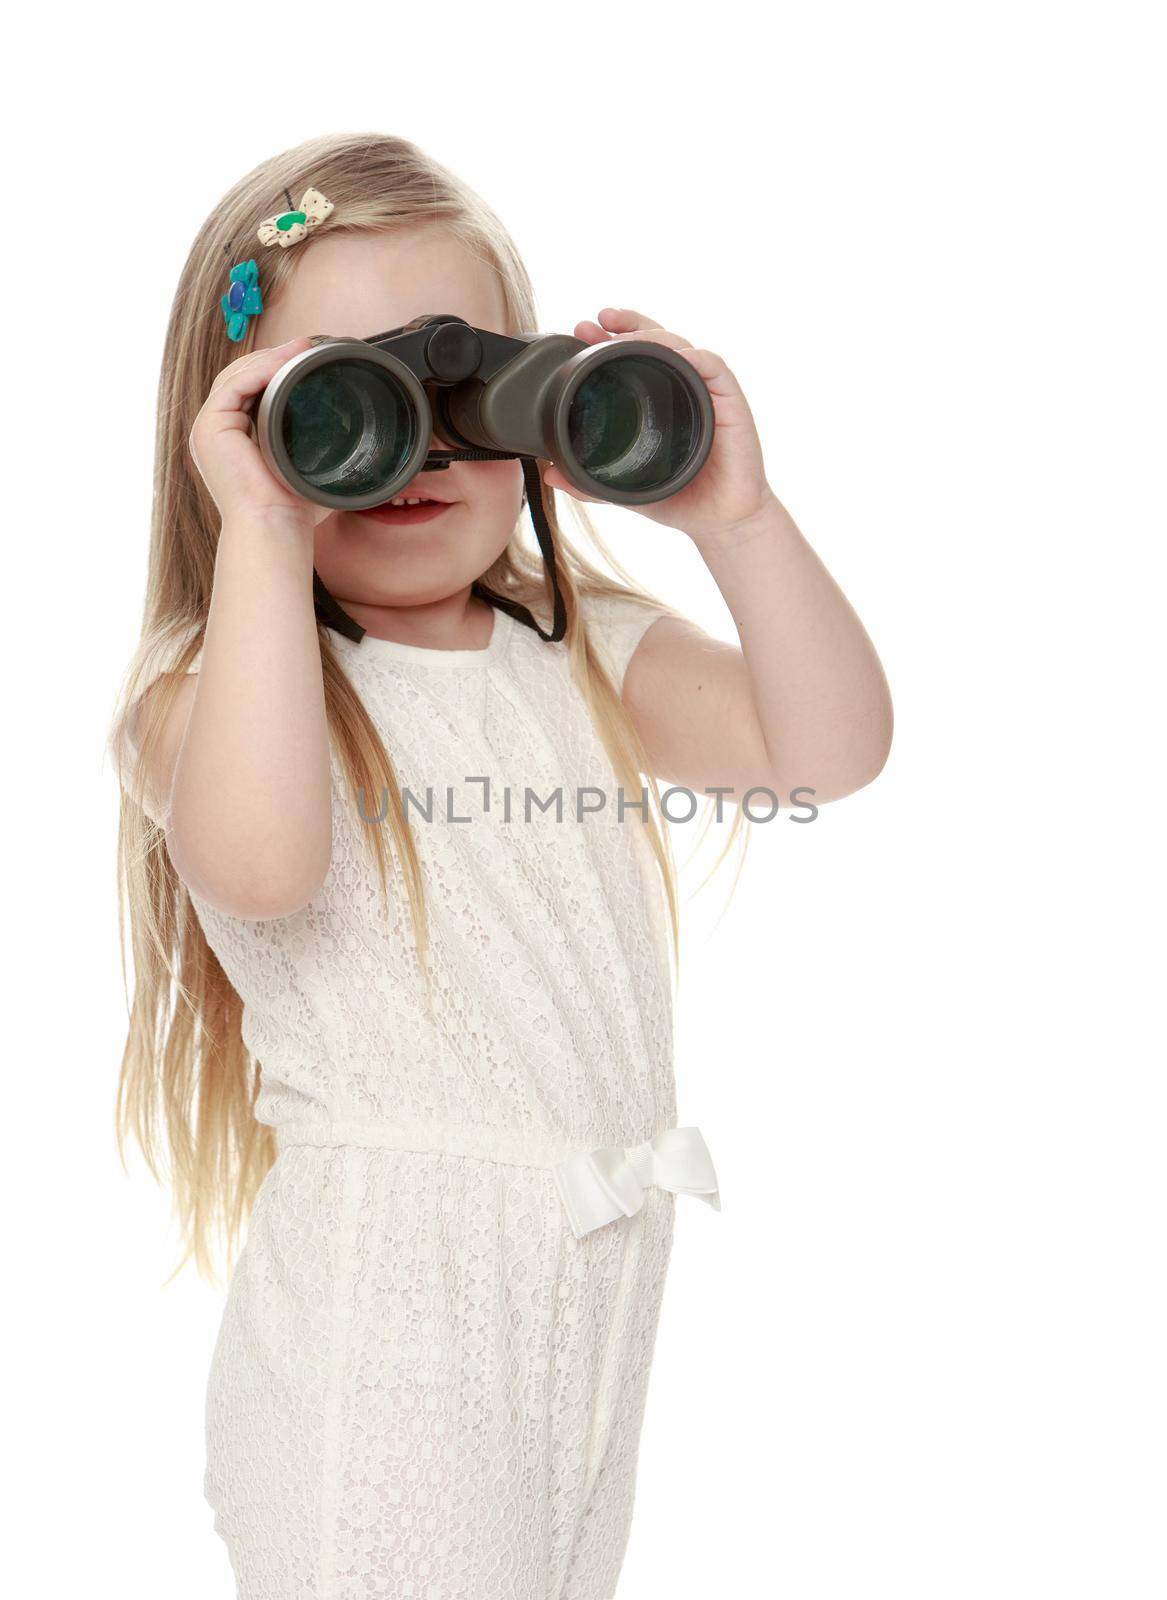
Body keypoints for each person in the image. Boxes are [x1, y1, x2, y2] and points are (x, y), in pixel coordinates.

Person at [109, 131, 893, 1600]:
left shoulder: (574, 645)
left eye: (464, 394)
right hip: (389, 1310)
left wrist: (737, 517)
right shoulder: (211, 692)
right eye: (343, 402)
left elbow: (826, 748)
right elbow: (267, 867)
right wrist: (267, 543)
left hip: (594, 1285)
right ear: (238, 433)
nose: (415, 453)